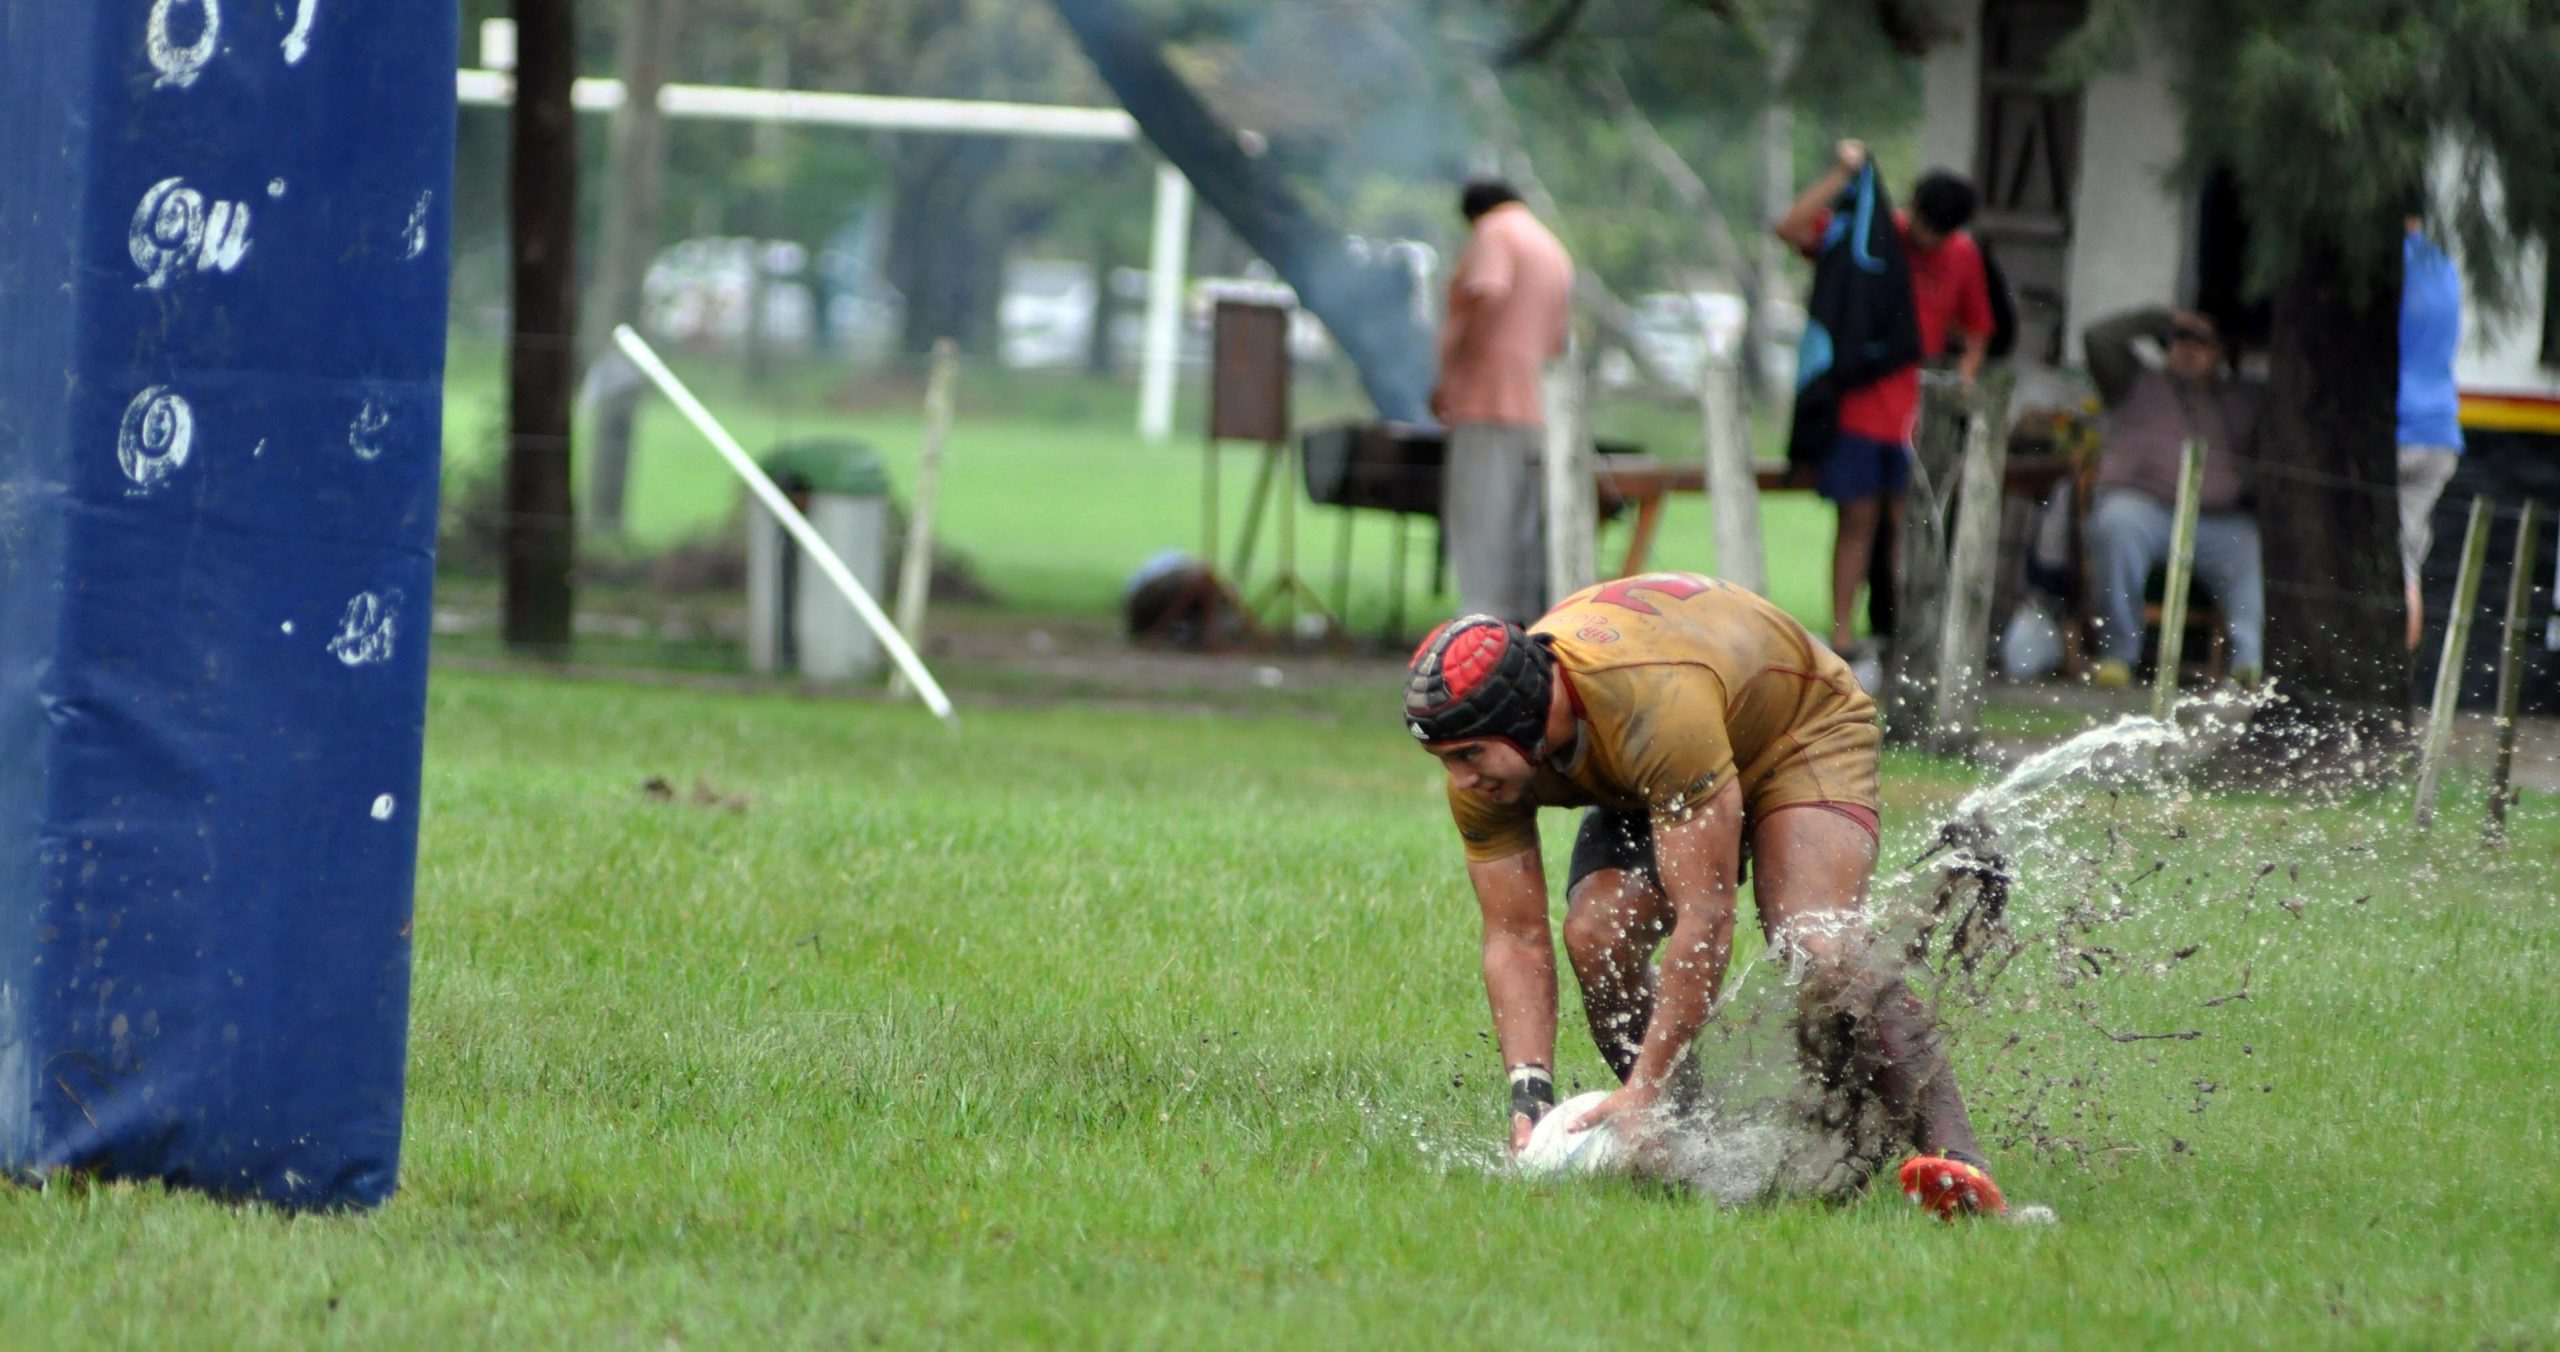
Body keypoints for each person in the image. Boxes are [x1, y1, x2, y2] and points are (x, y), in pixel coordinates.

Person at [1403, 574, 2005, 1219]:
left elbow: (1707, 918)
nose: (1461, 779)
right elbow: (1515, 934)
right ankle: (1684, 1141)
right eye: (1445, 760)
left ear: (1529, 716)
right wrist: (1530, 1092)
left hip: (1796, 731)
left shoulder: (1649, 702)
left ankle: (1958, 1162)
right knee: (1598, 933)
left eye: (1469, 755)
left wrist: (1645, 1083)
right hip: (1665, 762)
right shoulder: (1490, 761)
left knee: (1819, 946)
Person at [1775, 141, 1995, 678]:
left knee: (1906, 520)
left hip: (1914, 412)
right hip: (1858, 404)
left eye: (1938, 233)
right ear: (1911, 208)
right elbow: (1792, 228)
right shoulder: (1874, 232)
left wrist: (1963, 382)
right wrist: (1842, 174)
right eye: (1922, 224)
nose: (1926, 239)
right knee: (1858, 516)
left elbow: (1977, 328)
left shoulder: (1962, 255)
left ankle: (1898, 630)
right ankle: (1843, 632)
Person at [2079, 308, 2266, 688]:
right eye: (2181, 341)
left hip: (2217, 517)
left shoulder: (2244, 400)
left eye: (2203, 343)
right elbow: (2097, 336)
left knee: (2248, 545)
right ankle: (2119, 656)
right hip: (2142, 505)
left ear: (2221, 354)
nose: (2189, 350)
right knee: (2117, 526)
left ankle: (2248, 662)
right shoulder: (2132, 381)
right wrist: (2162, 319)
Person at [1432, 179, 1575, 625]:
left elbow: (1487, 291)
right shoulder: (1550, 245)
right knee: (1522, 523)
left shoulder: (1494, 233)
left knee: (1481, 517)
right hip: (1537, 403)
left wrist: (1453, 368)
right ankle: (1523, 619)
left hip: (1488, 396)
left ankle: (1481, 621)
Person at [2398, 221, 2465, 651]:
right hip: (2440, 427)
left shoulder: (2382, 263)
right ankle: (2395, 681)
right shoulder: (2441, 264)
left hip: (2395, 424)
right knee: (2406, 565)